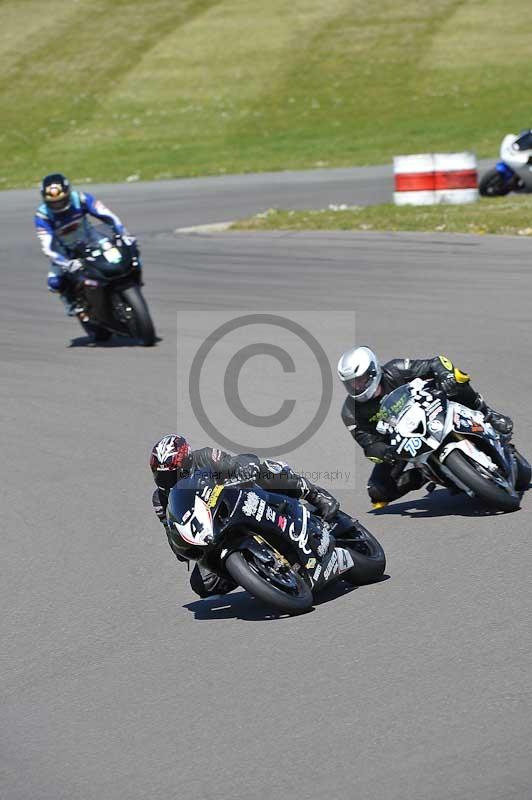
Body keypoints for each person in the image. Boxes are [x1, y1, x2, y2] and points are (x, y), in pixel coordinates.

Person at [150, 434, 340, 598]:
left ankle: (315, 494)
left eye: (172, 474)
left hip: (241, 502)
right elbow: (173, 536)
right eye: (161, 476)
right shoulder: (160, 501)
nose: (167, 481)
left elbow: (233, 463)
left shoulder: (205, 457)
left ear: (187, 463)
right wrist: (182, 545)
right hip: (212, 533)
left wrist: (245, 467)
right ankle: (258, 573)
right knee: (204, 583)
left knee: (266, 472)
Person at [337, 346, 514, 506]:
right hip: (400, 442)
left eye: (360, 380)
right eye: (351, 383)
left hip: (430, 407)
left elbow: (436, 363)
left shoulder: (396, 369)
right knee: (377, 491)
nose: (356, 387)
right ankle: (422, 475)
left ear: (374, 371)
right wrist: (385, 452)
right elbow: (368, 444)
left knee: (456, 380)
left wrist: (445, 375)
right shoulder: (350, 412)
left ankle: (488, 414)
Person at [34, 173, 136, 315]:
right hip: (64, 250)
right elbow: (48, 247)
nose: (58, 205)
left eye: (61, 201)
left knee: (125, 252)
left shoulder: (82, 199)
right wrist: (66, 263)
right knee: (54, 283)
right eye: (53, 202)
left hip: (91, 239)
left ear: (68, 193)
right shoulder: (42, 216)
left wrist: (124, 234)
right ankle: (72, 302)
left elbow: (108, 215)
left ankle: (134, 279)